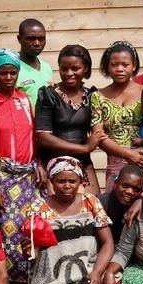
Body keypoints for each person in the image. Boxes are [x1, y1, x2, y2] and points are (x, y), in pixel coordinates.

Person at [24, 156, 124, 284]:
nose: (67, 185)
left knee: (114, 283)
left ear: (80, 182)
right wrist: (29, 250)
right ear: (51, 181)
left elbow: (108, 244)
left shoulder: (91, 202)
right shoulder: (37, 207)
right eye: (61, 181)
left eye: (72, 181)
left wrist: (97, 272)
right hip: (53, 276)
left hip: (88, 268)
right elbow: (34, 255)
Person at [0, 49, 39, 283]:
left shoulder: (24, 99)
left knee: (30, 228)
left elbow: (34, 137)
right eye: (3, 73)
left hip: (29, 176)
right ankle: (9, 283)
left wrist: (38, 163)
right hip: (3, 177)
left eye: (13, 72)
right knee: (8, 231)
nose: (9, 77)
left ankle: (32, 281)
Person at [34, 45, 104, 192]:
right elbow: (43, 138)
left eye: (75, 68)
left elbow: (98, 131)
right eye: (63, 68)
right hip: (53, 164)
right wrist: (84, 147)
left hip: (82, 163)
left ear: (85, 68)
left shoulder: (92, 96)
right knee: (59, 213)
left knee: (93, 206)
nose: (68, 73)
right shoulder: (48, 95)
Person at [91, 41, 143, 191]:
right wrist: (127, 153)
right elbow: (99, 135)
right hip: (115, 164)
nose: (119, 69)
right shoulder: (98, 96)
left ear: (133, 66)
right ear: (108, 67)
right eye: (114, 65)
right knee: (116, 209)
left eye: (125, 64)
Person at [99, 164, 143, 245]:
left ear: (142, 191)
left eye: (136, 189)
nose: (130, 192)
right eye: (125, 186)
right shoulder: (101, 202)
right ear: (116, 183)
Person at [15, 18, 52, 109]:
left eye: (41, 39)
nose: (37, 43)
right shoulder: (10, 69)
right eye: (31, 39)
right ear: (19, 39)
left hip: (44, 122)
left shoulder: (46, 67)